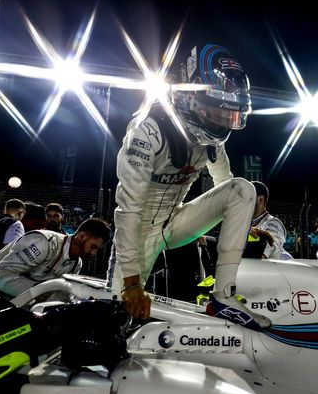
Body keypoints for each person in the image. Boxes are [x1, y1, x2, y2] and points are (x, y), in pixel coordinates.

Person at [109, 43, 270, 330]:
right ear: (191, 98)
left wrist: (242, 222)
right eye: (218, 113)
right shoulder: (148, 130)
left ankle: (223, 297)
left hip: (174, 223)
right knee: (117, 317)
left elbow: (226, 182)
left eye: (229, 116)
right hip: (138, 228)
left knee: (244, 188)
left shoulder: (212, 140)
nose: (223, 123)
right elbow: (128, 210)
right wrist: (131, 282)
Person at [0, 217, 110, 297]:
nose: (93, 253)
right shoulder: (43, 242)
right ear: (81, 236)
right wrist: (41, 292)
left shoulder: (77, 264)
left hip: (11, 295)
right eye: (93, 247)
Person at [247, 181, 291, 260]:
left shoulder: (273, 223)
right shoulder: (247, 224)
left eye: (247, 198)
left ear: (260, 199)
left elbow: (271, 244)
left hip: (266, 270)